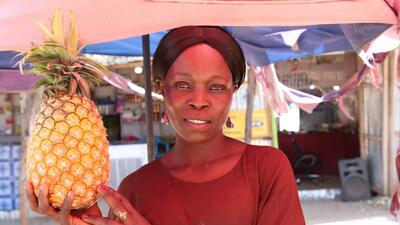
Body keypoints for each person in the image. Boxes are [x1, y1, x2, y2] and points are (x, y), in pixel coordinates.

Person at [26, 26, 305, 225]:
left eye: (216, 87)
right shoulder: (133, 190)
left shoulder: (266, 169)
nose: (199, 100)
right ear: (162, 89)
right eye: (183, 84)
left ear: (233, 91)